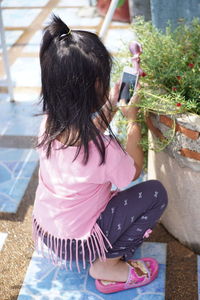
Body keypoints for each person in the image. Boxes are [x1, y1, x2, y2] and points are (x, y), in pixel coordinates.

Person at [32, 15, 168, 294]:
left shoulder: (48, 124)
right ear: (96, 86)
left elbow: (84, 130)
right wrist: (132, 122)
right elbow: (133, 170)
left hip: (51, 233)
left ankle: (102, 251)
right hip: (81, 243)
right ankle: (108, 264)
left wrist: (110, 108)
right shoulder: (104, 151)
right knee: (155, 193)